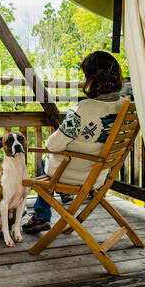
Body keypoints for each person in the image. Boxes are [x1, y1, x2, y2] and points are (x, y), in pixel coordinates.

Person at [23, 50, 125, 234]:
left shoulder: (84, 109)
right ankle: (63, 196)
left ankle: (41, 215)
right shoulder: (124, 106)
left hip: (77, 174)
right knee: (56, 159)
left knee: (47, 160)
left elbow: (53, 145)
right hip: (100, 173)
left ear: (92, 78)